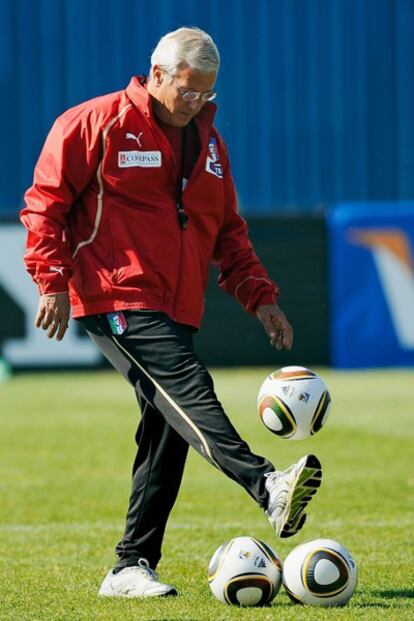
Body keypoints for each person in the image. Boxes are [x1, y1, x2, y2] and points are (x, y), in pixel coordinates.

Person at [21, 27, 322, 598]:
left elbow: (227, 231)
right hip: (115, 294)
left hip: (177, 303)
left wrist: (261, 296)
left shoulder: (209, 143)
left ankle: (129, 566)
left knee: (167, 427)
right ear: (156, 74)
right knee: (187, 385)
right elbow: (44, 205)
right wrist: (51, 280)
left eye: (206, 94)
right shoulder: (93, 123)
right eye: (187, 90)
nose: (197, 103)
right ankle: (267, 485)